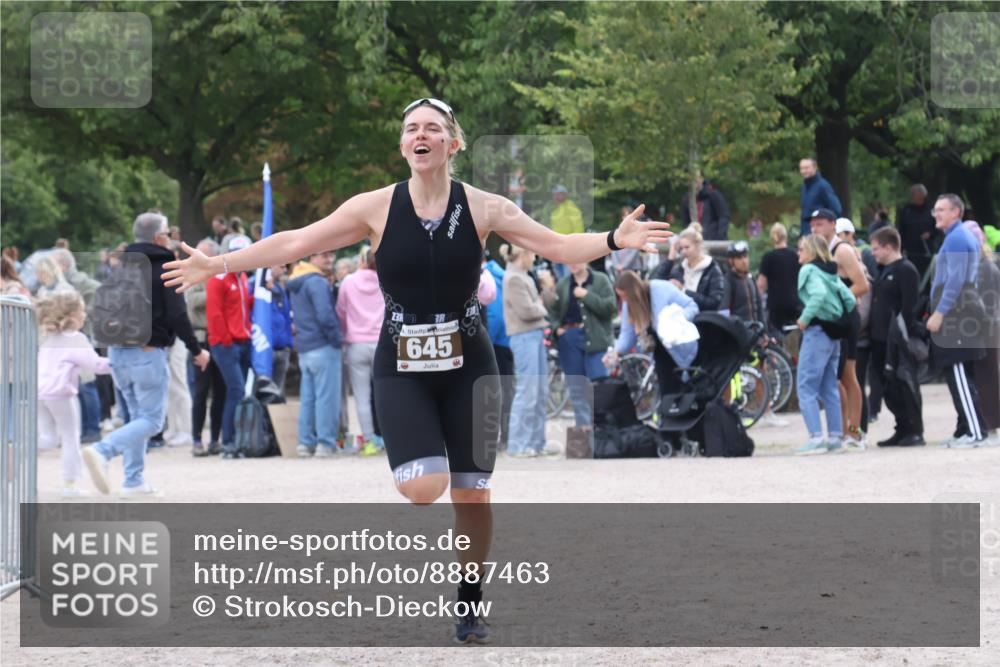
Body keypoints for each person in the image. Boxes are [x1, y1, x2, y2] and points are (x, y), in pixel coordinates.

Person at [162, 97, 668, 644]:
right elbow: (296, 241)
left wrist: (615, 240)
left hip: (470, 363)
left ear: (453, 143)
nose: (420, 135)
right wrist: (220, 263)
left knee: (472, 492)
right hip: (401, 362)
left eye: (432, 128)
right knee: (424, 487)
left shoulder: (485, 207)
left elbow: (557, 244)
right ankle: (435, 480)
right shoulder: (374, 208)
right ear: (403, 146)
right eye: (411, 129)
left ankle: (470, 602)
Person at [82, 212, 210, 497]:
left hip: (117, 352)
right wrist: (197, 350)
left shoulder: (121, 265)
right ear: (158, 237)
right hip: (147, 351)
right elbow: (178, 314)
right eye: (167, 231)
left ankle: (133, 480)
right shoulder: (166, 266)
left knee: (136, 419)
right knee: (151, 420)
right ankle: (103, 451)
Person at [35, 291, 113, 496]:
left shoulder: (50, 338)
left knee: (48, 439)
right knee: (71, 437)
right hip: (61, 394)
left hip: (40, 394)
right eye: (82, 311)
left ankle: (17, 450)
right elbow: (95, 365)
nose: (85, 315)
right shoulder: (76, 339)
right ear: (72, 316)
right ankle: (69, 485)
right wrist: (118, 363)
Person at [927, 195, 988, 448]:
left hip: (957, 311)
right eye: (935, 210)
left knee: (959, 371)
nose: (936, 214)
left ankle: (975, 432)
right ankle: (965, 428)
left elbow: (955, 280)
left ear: (956, 212)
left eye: (942, 210)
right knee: (957, 374)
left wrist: (940, 312)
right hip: (959, 308)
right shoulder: (955, 237)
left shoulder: (957, 237)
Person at [810, 208, 870, 450]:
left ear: (833, 225)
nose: (816, 228)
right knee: (834, 379)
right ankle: (844, 430)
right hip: (832, 321)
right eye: (813, 224)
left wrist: (838, 299)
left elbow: (862, 285)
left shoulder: (842, 250)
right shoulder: (819, 252)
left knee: (848, 376)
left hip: (845, 320)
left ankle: (855, 432)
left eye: (820, 224)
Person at [793, 234, 856, 455]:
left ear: (810, 251)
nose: (798, 253)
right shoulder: (830, 271)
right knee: (829, 386)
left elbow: (817, 295)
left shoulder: (809, 271)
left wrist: (805, 318)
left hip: (817, 333)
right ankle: (836, 437)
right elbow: (850, 298)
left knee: (805, 386)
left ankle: (816, 438)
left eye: (801, 249)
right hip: (834, 335)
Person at [540, 260, 616, 428]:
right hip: (569, 340)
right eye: (569, 260)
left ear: (586, 259)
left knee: (599, 386)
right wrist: (556, 329)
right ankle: (585, 431)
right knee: (577, 387)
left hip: (596, 340)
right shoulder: (563, 284)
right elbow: (552, 312)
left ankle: (604, 431)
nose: (572, 263)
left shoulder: (600, 280)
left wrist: (586, 295)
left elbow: (611, 307)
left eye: (577, 258)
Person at [868, 227, 924, 447]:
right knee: (888, 387)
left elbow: (910, 307)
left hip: (897, 338)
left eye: (875, 249)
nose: (873, 253)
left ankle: (915, 430)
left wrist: (901, 333)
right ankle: (901, 428)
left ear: (889, 247)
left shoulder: (906, 270)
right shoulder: (883, 270)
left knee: (905, 384)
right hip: (879, 338)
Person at [288, 250, 346, 457]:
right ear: (312, 258)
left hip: (305, 347)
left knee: (309, 398)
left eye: (331, 256)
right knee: (326, 398)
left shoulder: (297, 280)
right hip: (323, 346)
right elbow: (325, 315)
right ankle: (325, 443)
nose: (330, 259)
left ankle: (305, 443)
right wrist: (336, 339)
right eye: (325, 256)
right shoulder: (317, 282)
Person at [607, 270, 699, 400]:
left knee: (689, 390)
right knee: (667, 394)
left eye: (625, 296)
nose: (624, 301)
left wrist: (677, 320)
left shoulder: (661, 289)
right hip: (660, 353)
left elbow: (691, 306)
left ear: (633, 292)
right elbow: (627, 335)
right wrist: (616, 352)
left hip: (682, 346)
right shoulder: (629, 306)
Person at [502, 244, 554, 458]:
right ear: (523, 254)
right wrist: (540, 304)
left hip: (534, 335)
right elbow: (528, 311)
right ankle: (517, 445)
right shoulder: (513, 278)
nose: (535, 257)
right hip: (523, 337)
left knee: (541, 391)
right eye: (532, 253)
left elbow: (544, 306)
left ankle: (536, 442)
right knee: (527, 391)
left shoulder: (525, 276)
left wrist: (548, 290)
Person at [206, 234, 254, 457]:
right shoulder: (219, 278)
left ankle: (235, 439)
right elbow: (214, 314)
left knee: (237, 391)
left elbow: (242, 306)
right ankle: (228, 441)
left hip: (242, 341)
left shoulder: (242, 277)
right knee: (235, 390)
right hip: (227, 344)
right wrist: (226, 340)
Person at [336, 246, 385, 455]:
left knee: (361, 397)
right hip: (381, 343)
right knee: (386, 394)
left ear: (362, 261)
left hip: (356, 344)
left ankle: (369, 441)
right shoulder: (385, 280)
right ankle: (391, 438)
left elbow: (340, 311)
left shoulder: (348, 281)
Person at [834, 217, 878, 436]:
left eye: (844, 234)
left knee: (851, 378)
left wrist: (859, 325)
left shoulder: (852, 255)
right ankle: (849, 429)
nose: (842, 239)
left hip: (854, 326)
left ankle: (855, 429)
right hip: (850, 324)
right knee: (848, 378)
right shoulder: (843, 253)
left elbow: (864, 291)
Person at [186, 239, 226, 456]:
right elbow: (192, 302)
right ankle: (196, 440)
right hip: (201, 339)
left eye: (203, 254)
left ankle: (215, 439)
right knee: (200, 392)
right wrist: (216, 290)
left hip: (219, 339)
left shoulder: (220, 275)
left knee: (221, 391)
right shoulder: (194, 276)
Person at [963, 221, 1000, 443]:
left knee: (986, 375)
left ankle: (990, 422)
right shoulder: (985, 264)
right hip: (986, 324)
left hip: (986, 326)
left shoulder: (984, 266)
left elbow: (984, 302)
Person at [484, 253, 514, 452]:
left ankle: (493, 437)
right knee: (505, 391)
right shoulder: (500, 274)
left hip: (493, 343)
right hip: (506, 342)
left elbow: (493, 316)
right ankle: (505, 434)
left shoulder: (486, 277)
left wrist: (485, 343)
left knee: (490, 393)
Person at [668, 226, 727, 312]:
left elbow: (714, 303)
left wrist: (684, 291)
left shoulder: (712, 269)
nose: (683, 251)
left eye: (687, 247)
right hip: (680, 320)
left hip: (703, 321)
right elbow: (657, 281)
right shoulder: (679, 268)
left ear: (698, 245)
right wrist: (670, 258)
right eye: (681, 248)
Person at [757, 222, 801, 335]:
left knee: (777, 335)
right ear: (785, 236)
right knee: (795, 335)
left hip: (776, 304)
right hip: (795, 302)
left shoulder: (768, 257)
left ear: (772, 237)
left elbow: (761, 284)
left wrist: (757, 303)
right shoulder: (796, 255)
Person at [896, 184, 939, 282]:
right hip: (910, 251)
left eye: (913, 194)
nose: (911, 196)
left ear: (921, 195)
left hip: (927, 251)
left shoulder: (933, 209)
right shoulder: (906, 210)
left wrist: (930, 234)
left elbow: (939, 228)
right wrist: (900, 249)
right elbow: (901, 230)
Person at [547, 184, 585, 279]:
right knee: (561, 280)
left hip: (568, 250)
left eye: (558, 194)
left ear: (565, 195)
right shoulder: (556, 210)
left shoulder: (572, 209)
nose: (555, 196)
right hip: (556, 250)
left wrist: (575, 248)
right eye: (554, 194)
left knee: (568, 279)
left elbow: (578, 230)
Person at [799, 158, 842, 239]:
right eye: (802, 168)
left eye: (807, 168)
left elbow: (836, 209)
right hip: (806, 232)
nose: (804, 171)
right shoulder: (804, 187)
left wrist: (829, 230)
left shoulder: (823, 186)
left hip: (819, 235)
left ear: (815, 168)